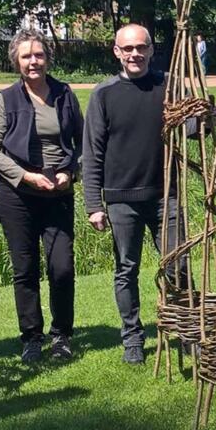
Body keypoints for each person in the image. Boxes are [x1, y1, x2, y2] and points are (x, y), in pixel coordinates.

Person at [82, 23, 190, 365]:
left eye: (141, 47)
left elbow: (188, 128)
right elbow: (92, 153)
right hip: (121, 199)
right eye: (127, 49)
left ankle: (187, 332)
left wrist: (204, 118)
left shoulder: (169, 86)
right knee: (126, 270)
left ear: (151, 49)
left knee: (179, 266)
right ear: (116, 52)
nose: (135, 54)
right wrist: (93, 205)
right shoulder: (104, 94)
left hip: (165, 196)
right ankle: (132, 339)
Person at [0, 29, 83, 364]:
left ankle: (62, 336)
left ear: (47, 58)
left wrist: (71, 172)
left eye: (38, 54)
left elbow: (83, 144)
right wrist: (25, 175)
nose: (33, 61)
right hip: (17, 195)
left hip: (58, 192)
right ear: (16, 61)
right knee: (25, 269)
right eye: (25, 56)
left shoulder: (65, 94)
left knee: (62, 268)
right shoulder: (7, 99)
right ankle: (31, 337)